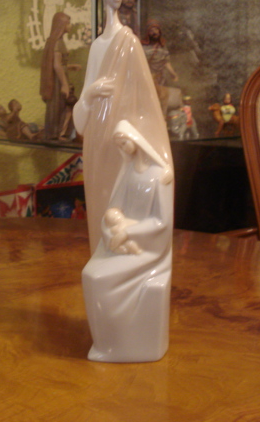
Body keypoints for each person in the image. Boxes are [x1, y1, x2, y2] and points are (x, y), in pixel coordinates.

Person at [73, 0, 171, 254]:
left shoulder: (130, 42)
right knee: (100, 203)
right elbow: (80, 116)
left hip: (121, 138)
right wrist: (90, 94)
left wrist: (160, 155)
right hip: (97, 139)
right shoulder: (97, 47)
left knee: (119, 204)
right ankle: (103, 258)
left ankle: (122, 253)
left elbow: (147, 100)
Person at [82, 120, 174, 362]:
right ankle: (107, 343)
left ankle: (119, 344)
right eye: (119, 144)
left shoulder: (160, 176)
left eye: (124, 142)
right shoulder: (128, 173)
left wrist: (128, 233)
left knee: (98, 278)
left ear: (137, 141)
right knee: (89, 273)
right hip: (121, 238)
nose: (122, 147)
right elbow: (113, 210)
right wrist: (112, 230)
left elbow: (161, 222)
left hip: (149, 247)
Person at [40, 12, 81, 141]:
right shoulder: (57, 42)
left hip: (59, 78)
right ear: (61, 25)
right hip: (57, 81)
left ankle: (60, 133)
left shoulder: (57, 41)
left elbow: (59, 64)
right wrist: (64, 84)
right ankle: (55, 133)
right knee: (58, 106)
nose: (70, 25)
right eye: (68, 23)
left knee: (63, 106)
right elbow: (56, 65)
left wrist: (70, 67)